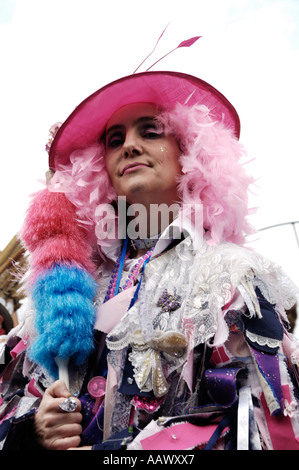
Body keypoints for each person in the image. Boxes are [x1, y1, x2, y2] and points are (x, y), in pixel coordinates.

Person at [1, 70, 299, 451]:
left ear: (189, 153)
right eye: (115, 139)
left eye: (151, 130)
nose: (130, 145)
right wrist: (35, 430)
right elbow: (9, 399)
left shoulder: (231, 275)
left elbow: (266, 422)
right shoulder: (67, 286)